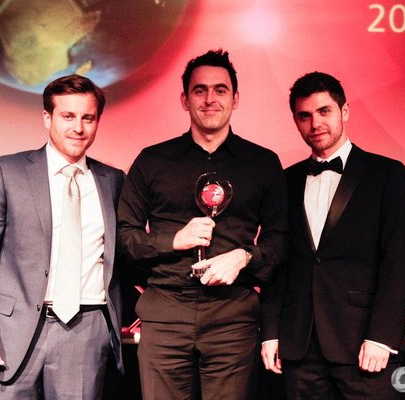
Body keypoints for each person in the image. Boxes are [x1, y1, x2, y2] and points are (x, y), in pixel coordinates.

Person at [117, 49, 287, 400]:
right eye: (200, 90)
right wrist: (173, 240)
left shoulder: (263, 163)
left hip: (233, 317)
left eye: (220, 90)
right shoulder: (152, 160)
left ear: (235, 99)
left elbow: (280, 239)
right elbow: (124, 237)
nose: (210, 99)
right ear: (185, 99)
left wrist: (243, 256)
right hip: (166, 314)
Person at [0, 74, 125, 399]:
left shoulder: (113, 180)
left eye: (88, 118)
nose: (78, 127)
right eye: (68, 116)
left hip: (85, 332)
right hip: (11, 335)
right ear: (47, 118)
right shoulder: (7, 172)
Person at [261, 72, 405, 399]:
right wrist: (270, 332)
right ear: (295, 121)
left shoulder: (386, 173)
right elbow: (277, 262)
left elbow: (397, 260)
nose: (315, 123)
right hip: (299, 347)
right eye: (304, 116)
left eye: (324, 111)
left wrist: (381, 337)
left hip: (362, 343)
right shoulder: (285, 181)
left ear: (344, 111)